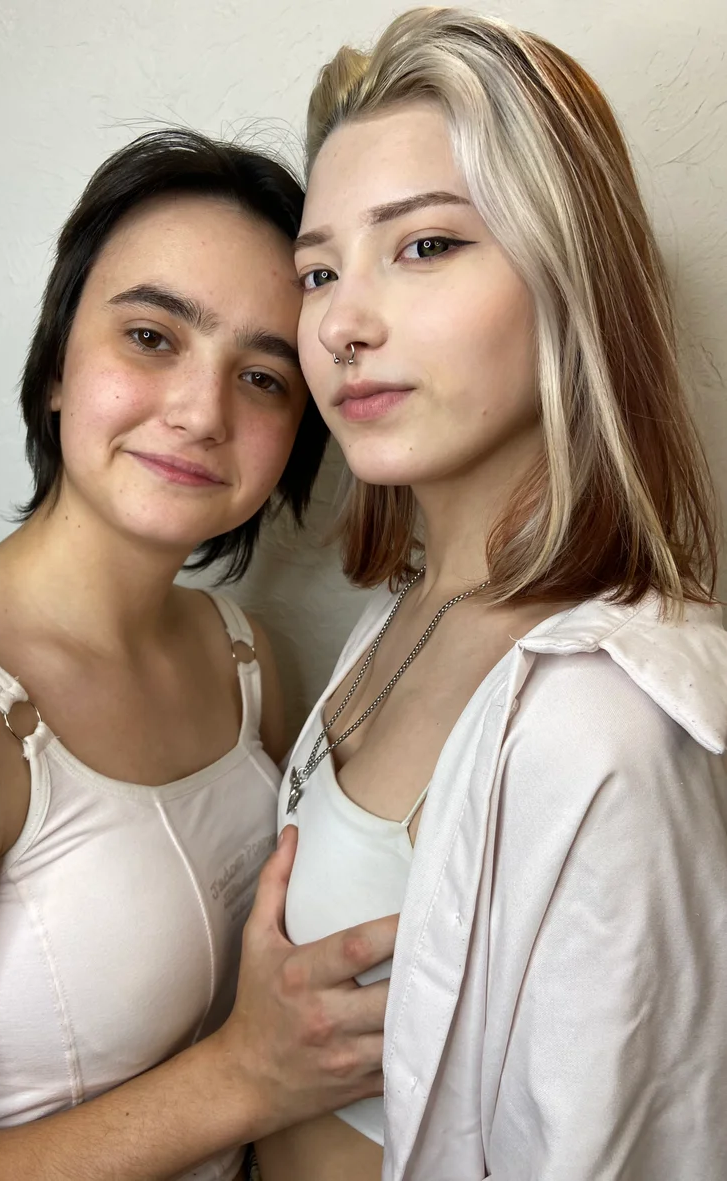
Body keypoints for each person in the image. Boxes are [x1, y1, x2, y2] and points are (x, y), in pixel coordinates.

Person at [0, 129, 398, 1181]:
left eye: (264, 377)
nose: (200, 412)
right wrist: (246, 1076)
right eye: (151, 336)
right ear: (57, 363)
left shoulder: (245, 657)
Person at [255, 8, 727, 1181]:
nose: (341, 323)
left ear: (570, 272)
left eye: (424, 245)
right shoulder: (398, 615)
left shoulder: (606, 721)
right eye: (318, 270)